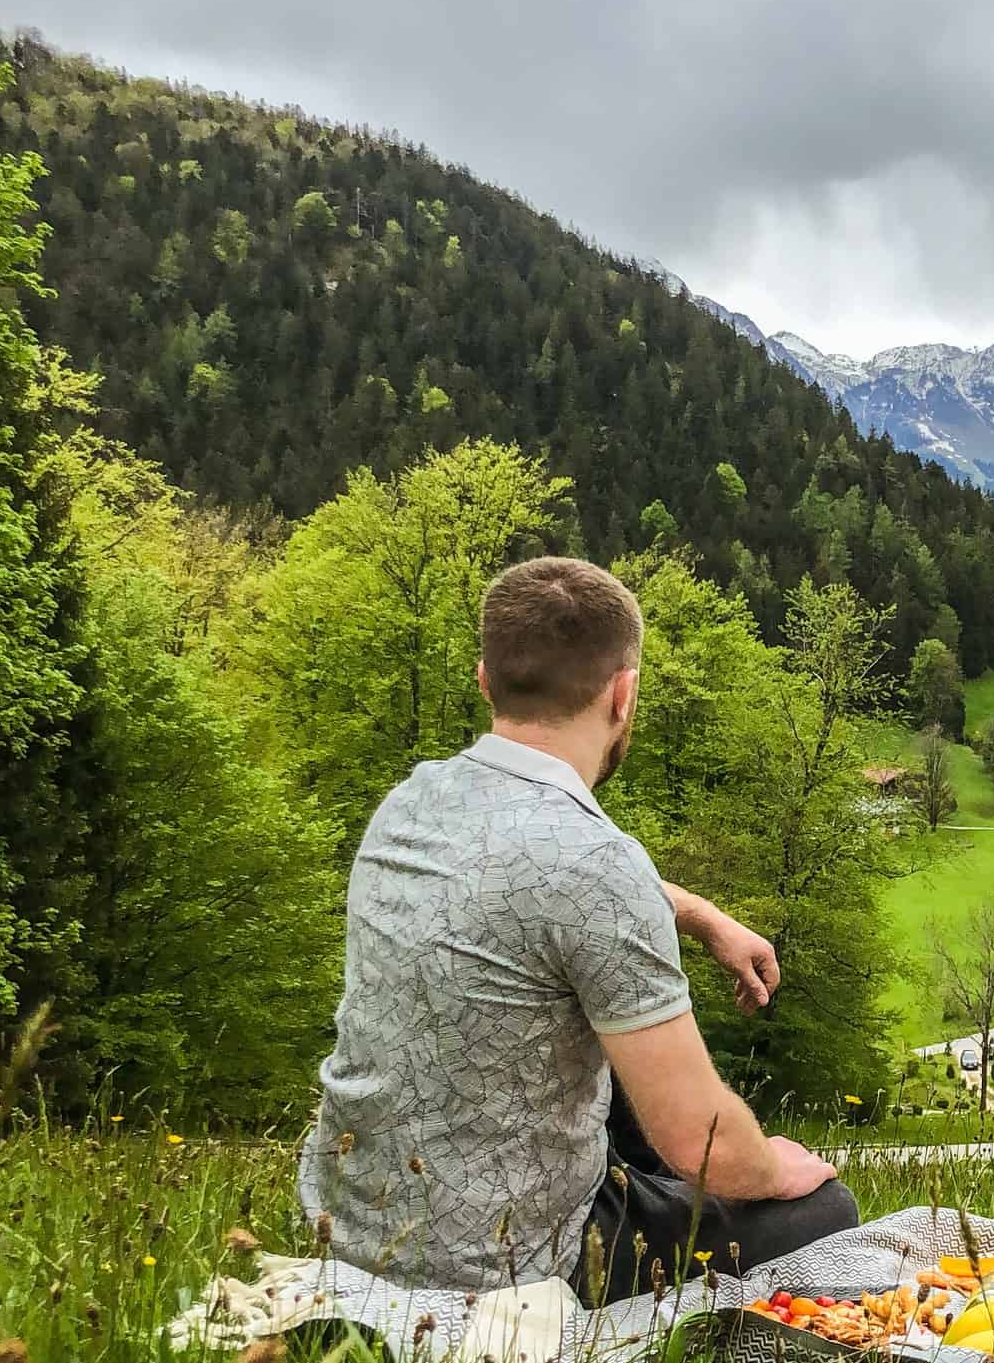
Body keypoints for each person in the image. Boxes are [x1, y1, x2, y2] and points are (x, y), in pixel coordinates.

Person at [297, 555, 856, 1301]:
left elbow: (535, 882)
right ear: (623, 695)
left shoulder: (412, 801)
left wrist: (699, 915)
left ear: (485, 679)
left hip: (353, 1226)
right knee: (824, 1210)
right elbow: (703, 1147)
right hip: (513, 1261)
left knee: (618, 1068)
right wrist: (774, 1167)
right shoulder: (597, 866)